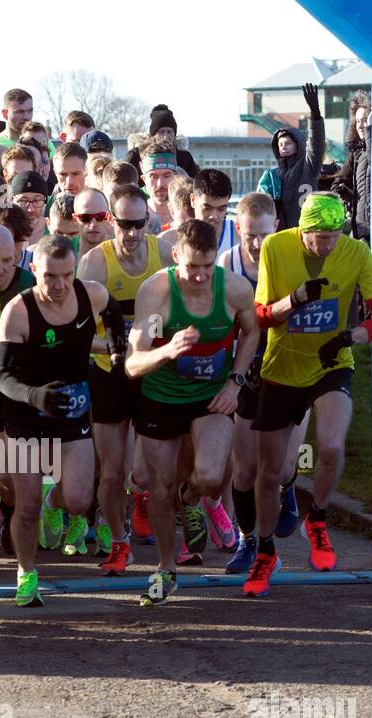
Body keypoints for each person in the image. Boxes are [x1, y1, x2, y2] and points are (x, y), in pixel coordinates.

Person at [244, 192, 372, 597]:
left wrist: (350, 336)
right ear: (303, 231)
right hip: (282, 367)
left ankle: (318, 518)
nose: (329, 245)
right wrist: (293, 300)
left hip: (332, 362)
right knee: (270, 472)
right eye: (321, 238)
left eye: (335, 236)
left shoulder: (355, 252)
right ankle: (265, 550)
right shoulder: (276, 247)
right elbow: (260, 317)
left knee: (330, 446)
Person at [126, 219, 260, 605]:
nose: (200, 276)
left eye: (207, 266)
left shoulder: (234, 289)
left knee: (211, 475)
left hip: (210, 397)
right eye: (191, 267)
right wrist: (168, 350)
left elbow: (251, 331)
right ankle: (166, 568)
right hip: (161, 398)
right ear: (175, 256)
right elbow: (133, 363)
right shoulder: (157, 294)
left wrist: (235, 382)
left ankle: (192, 499)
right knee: (159, 487)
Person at [0, 235, 122, 607]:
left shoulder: (90, 294)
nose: (60, 285)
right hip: (25, 414)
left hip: (71, 410)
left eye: (67, 275)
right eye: (50, 276)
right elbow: (1, 374)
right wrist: (35, 396)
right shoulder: (18, 311)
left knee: (80, 500)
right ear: (34, 270)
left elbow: (112, 308)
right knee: (26, 504)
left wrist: (116, 348)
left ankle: (56, 502)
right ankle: (27, 573)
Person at [75, 184, 173, 570]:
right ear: (111, 221)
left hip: (150, 373)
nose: (131, 233)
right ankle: (118, 542)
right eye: (123, 225)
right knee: (112, 472)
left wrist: (158, 345)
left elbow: (182, 309)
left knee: (144, 472)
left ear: (148, 221)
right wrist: (114, 346)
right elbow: (77, 333)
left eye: (138, 224)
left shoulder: (164, 254)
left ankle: (143, 500)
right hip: (108, 373)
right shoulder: (94, 265)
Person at [218, 192, 287, 576]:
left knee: (284, 467)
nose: (258, 244)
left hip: (288, 371)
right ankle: (250, 541)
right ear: (237, 229)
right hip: (246, 371)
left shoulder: (290, 258)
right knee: (244, 468)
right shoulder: (228, 264)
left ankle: (289, 490)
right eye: (250, 236)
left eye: (264, 235)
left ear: (276, 226)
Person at [258, 83, 326, 230]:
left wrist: (315, 114)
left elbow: (316, 144)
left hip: (307, 232)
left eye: (288, 143)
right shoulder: (274, 176)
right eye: (280, 144)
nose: (283, 147)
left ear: (298, 144)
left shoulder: (308, 166)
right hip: (282, 235)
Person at [332, 91, 372, 243]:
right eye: (357, 121)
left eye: (365, 120)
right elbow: (337, 184)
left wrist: (370, 134)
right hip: (362, 229)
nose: (360, 126)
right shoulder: (356, 154)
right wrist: (347, 194)